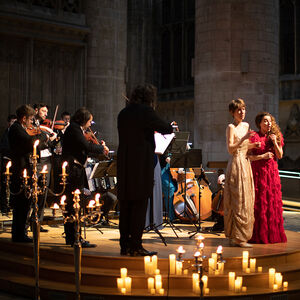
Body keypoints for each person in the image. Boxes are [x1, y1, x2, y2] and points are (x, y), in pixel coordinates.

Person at [117, 84, 173, 256]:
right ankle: (136, 246)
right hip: (140, 165)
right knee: (140, 205)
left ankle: (125, 246)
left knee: (126, 205)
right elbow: (167, 128)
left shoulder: (123, 113)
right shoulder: (146, 112)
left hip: (124, 164)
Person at [62, 107, 109, 248]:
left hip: (76, 169)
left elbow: (84, 147)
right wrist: (101, 149)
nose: (91, 123)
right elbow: (85, 146)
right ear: (83, 120)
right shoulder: (74, 129)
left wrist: (98, 148)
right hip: (73, 171)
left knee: (74, 204)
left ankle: (73, 237)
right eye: (90, 121)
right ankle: (75, 237)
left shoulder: (76, 129)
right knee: (74, 204)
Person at [8, 105, 48, 242]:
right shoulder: (16, 129)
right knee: (21, 204)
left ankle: (20, 233)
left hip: (25, 167)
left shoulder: (21, 129)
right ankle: (19, 235)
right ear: (24, 118)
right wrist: (43, 137)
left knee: (25, 204)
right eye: (31, 119)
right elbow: (32, 143)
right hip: (20, 169)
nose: (32, 122)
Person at [223, 98, 260, 248]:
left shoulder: (246, 125)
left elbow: (244, 147)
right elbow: (231, 149)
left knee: (246, 198)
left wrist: (252, 145)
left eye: (243, 109)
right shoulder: (231, 127)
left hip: (245, 163)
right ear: (232, 112)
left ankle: (242, 236)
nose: (242, 112)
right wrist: (244, 138)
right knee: (237, 198)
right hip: (236, 164)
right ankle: (235, 237)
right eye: (239, 110)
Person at [248, 112, 287, 244]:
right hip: (258, 173)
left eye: (270, 121)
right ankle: (258, 234)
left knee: (272, 202)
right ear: (259, 123)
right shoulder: (254, 136)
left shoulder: (276, 136)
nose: (268, 123)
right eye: (265, 121)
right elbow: (248, 157)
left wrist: (275, 142)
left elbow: (280, 155)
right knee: (259, 203)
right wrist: (262, 157)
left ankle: (272, 234)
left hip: (272, 174)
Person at [32, 103, 57, 232]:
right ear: (36, 111)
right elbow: (38, 144)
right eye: (43, 111)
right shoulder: (32, 124)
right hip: (37, 160)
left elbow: (47, 144)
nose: (46, 114)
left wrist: (52, 140)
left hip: (47, 160)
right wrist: (48, 139)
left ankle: (38, 222)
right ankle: (29, 222)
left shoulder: (42, 127)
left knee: (44, 192)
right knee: (33, 192)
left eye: (46, 111)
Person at [0, 114, 17, 214]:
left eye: (15, 122)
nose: (14, 124)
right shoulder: (6, 133)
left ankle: (12, 204)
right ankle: (3, 205)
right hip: (7, 161)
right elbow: (3, 148)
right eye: (12, 122)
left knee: (14, 184)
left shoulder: (17, 133)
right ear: (8, 123)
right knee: (4, 184)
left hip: (15, 162)